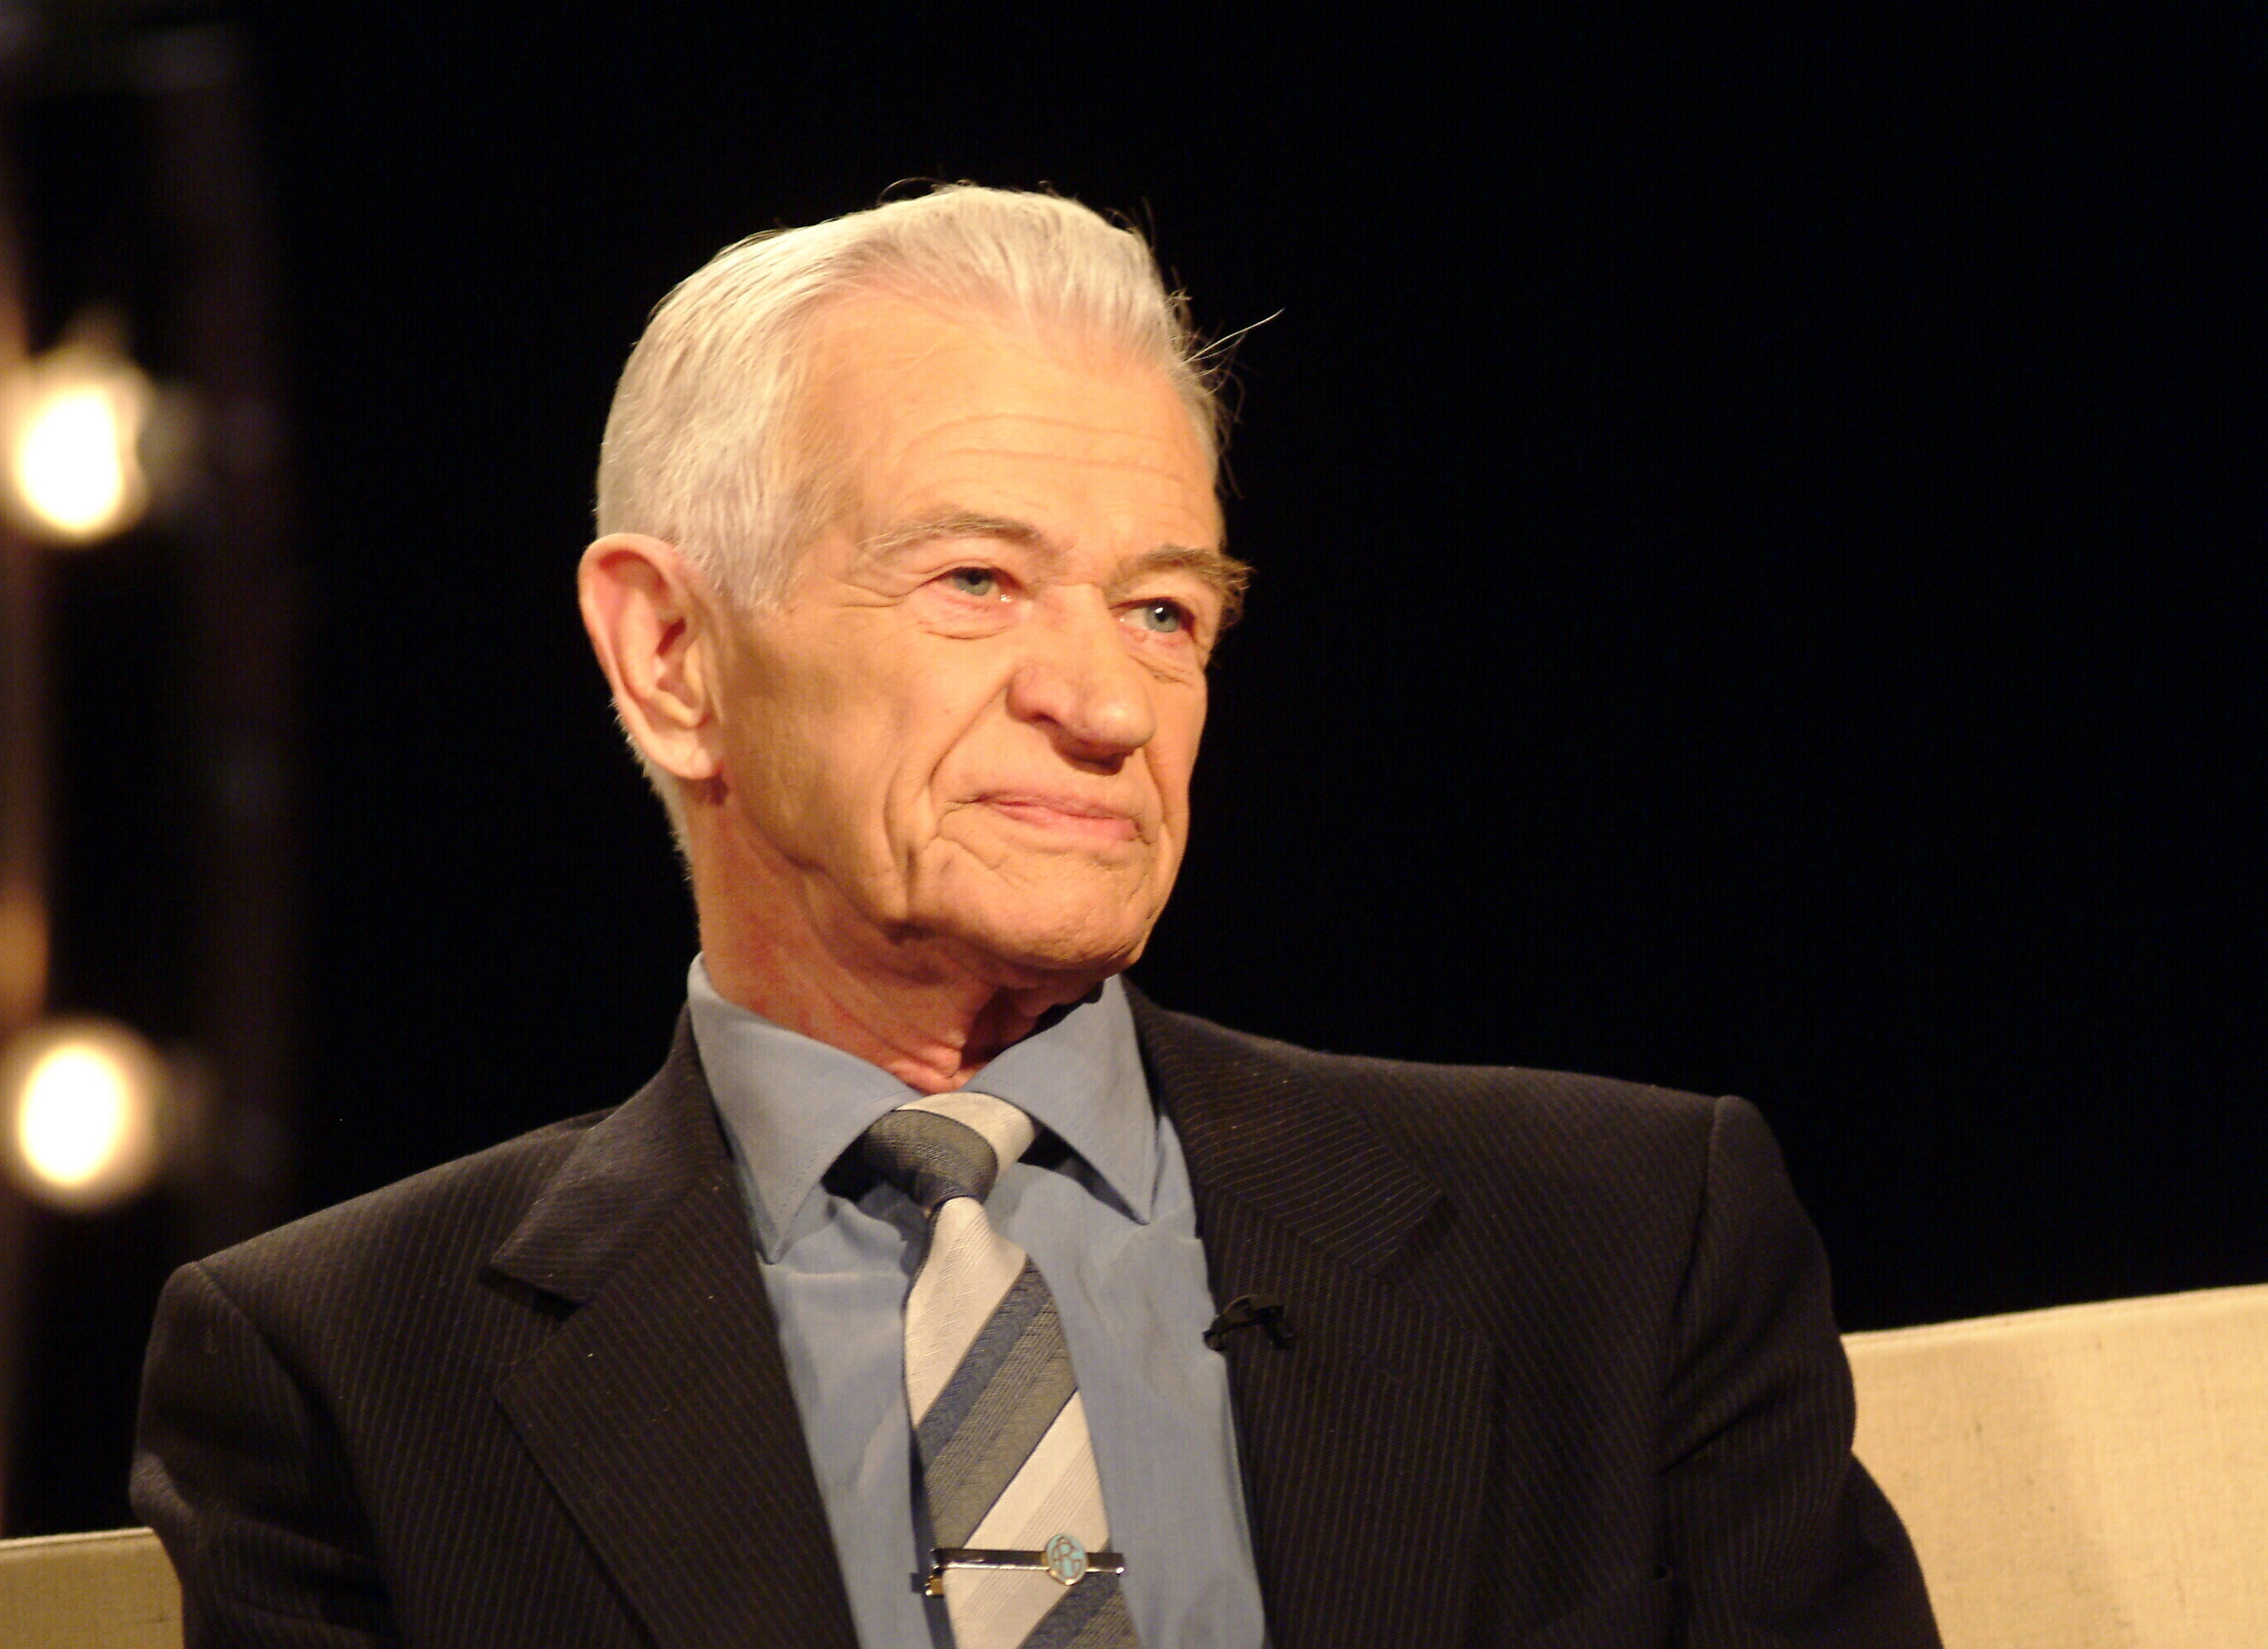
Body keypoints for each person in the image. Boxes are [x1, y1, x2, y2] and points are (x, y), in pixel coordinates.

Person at [133, 186, 1939, 1648]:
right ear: (673, 654)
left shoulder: (1622, 1246)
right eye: (978, 579)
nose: (1107, 705)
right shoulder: (355, 1373)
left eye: (1163, 611)